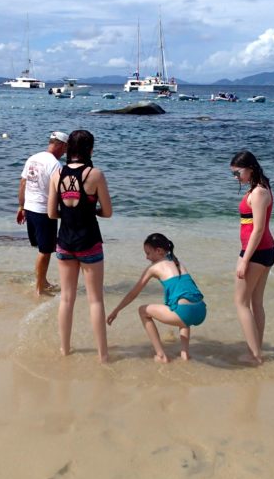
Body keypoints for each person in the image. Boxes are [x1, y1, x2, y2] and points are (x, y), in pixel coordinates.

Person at [47, 129, 113, 362]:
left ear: (69, 149)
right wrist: (90, 209)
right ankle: (103, 355)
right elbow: (107, 212)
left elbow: (51, 213)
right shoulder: (95, 174)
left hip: (64, 242)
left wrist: (69, 210)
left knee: (66, 299)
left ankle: (64, 350)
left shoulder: (57, 174)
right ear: (90, 150)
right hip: (89, 242)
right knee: (95, 300)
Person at [107, 233, 206, 363]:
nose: (146, 257)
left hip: (185, 313)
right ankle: (185, 354)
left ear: (159, 251)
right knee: (181, 307)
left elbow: (133, 293)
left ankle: (161, 355)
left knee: (143, 311)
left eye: (148, 253)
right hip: (201, 310)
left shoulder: (153, 268)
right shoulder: (177, 262)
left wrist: (116, 310)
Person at [230, 150, 274, 365]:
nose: (236, 178)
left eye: (237, 173)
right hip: (263, 250)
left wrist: (244, 260)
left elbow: (257, 230)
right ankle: (257, 349)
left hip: (256, 251)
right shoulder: (260, 189)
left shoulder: (258, 193)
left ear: (250, 168)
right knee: (255, 302)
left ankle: (255, 355)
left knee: (240, 303)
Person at [16, 131, 68, 295]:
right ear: (60, 145)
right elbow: (59, 191)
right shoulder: (55, 165)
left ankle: (42, 280)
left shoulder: (33, 158)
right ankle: (39, 288)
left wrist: (21, 206)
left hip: (30, 208)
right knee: (45, 251)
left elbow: (23, 182)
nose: (65, 152)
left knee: (42, 248)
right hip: (43, 211)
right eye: (65, 148)